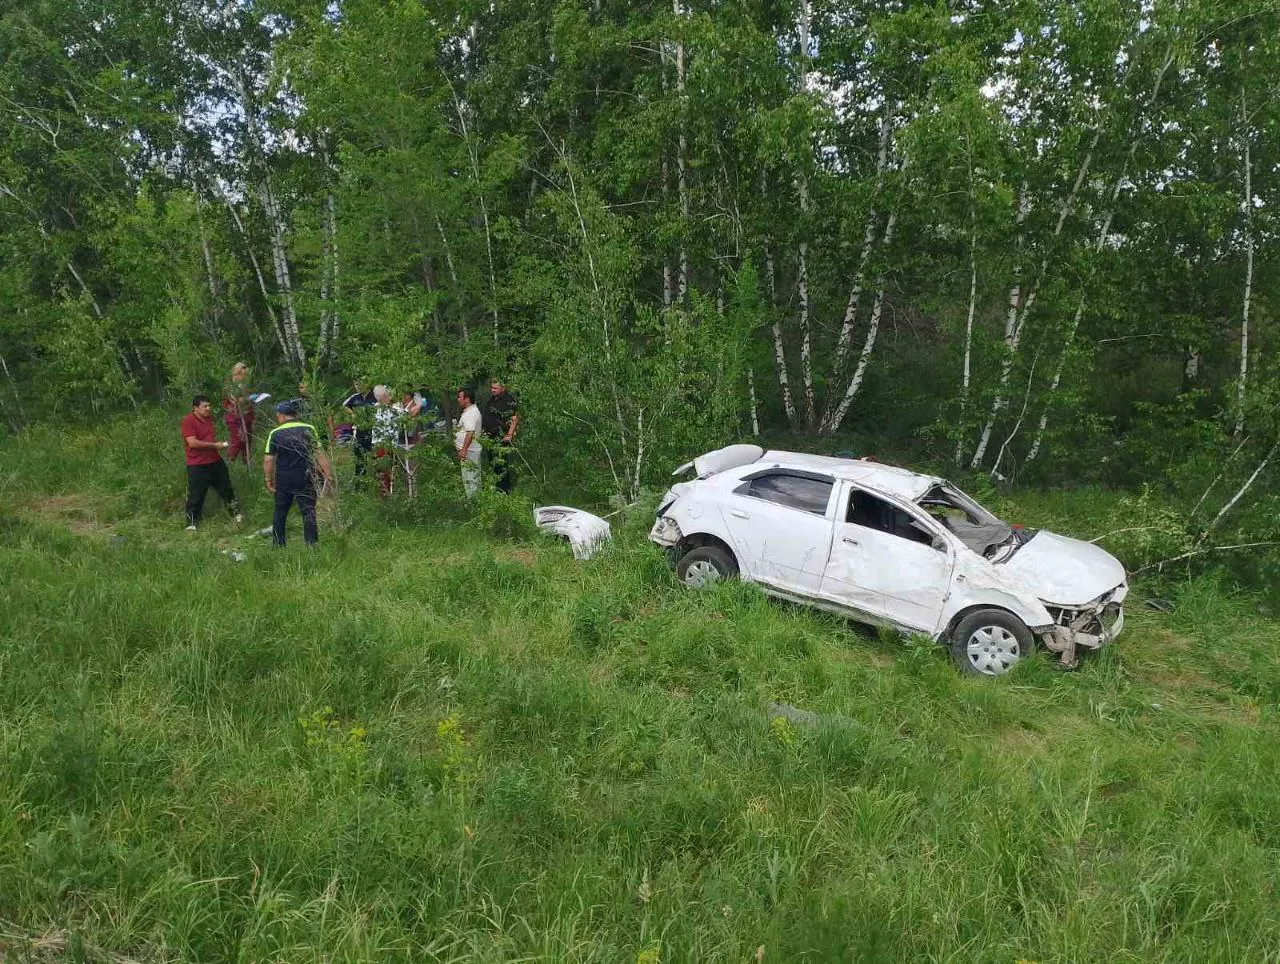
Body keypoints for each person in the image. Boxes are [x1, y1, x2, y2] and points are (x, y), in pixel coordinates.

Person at [263, 401, 333, 547]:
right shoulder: (309, 428)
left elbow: (269, 460)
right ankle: (311, 544)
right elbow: (319, 453)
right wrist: (328, 474)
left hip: (284, 477)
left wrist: (268, 479)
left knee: (280, 511)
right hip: (305, 476)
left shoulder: (275, 433)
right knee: (308, 510)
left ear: (281, 416)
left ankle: (278, 544)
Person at [181, 395, 241, 530]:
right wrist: (215, 445)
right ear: (195, 408)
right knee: (196, 494)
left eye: (209, 406)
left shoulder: (209, 419)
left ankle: (235, 514)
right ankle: (191, 523)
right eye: (205, 406)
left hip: (214, 460)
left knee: (226, 488)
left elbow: (208, 438)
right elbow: (192, 442)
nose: (208, 409)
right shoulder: (188, 421)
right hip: (197, 464)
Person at [482, 378, 520, 494]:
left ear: (503, 388)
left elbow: (514, 418)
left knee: (501, 464)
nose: (492, 390)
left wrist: (509, 434)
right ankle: (497, 487)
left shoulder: (508, 400)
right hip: (490, 438)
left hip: (501, 437)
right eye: (492, 388)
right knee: (493, 464)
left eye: (495, 388)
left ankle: (504, 490)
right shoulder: (492, 399)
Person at [222, 362, 255, 465]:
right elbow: (235, 401)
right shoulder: (230, 387)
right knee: (237, 440)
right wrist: (247, 398)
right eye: (243, 373)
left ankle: (247, 463)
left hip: (247, 416)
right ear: (237, 373)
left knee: (247, 440)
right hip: (235, 418)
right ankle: (230, 463)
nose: (245, 376)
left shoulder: (246, 385)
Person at [455, 386, 483, 497]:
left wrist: (464, 449)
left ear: (467, 399)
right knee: (469, 477)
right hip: (468, 451)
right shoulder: (469, 411)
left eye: (459, 397)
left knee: (471, 478)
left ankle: (474, 501)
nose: (458, 399)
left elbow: (470, 432)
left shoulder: (471, 413)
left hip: (470, 451)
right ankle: (473, 499)